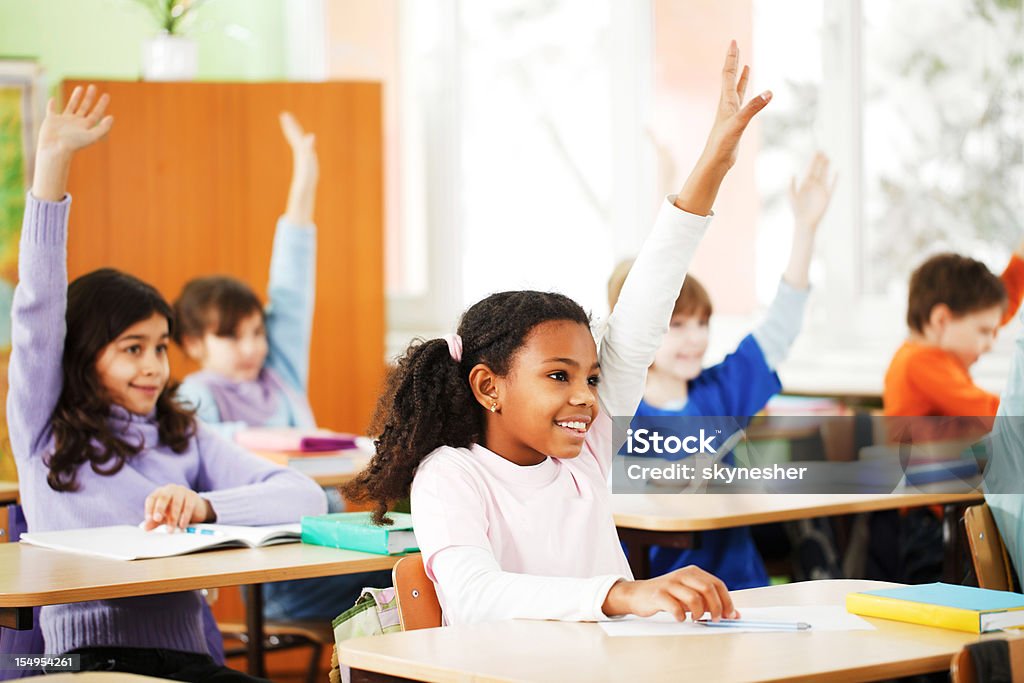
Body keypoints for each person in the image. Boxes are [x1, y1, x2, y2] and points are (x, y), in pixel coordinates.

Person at [343, 42, 769, 624]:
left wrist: (714, 164)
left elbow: (648, 301)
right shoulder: (451, 475)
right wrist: (618, 594)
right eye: (558, 376)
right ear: (488, 386)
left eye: (592, 377)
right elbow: (476, 596)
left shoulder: (584, 447)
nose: (586, 396)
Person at [9, 84, 326, 682]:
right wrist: (53, 166)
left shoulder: (181, 432)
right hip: (68, 658)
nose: (154, 365)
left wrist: (205, 504)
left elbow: (303, 497)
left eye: (159, 346)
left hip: (186, 658)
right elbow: (37, 312)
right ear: (82, 355)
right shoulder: (42, 426)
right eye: (132, 349)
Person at [171, 112, 390, 623]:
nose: (250, 347)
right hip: (272, 574)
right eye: (229, 335)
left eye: (256, 332)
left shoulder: (278, 372)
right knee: (403, 577)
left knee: (416, 563)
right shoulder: (193, 397)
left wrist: (305, 180)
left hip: (326, 545)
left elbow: (292, 286)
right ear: (193, 342)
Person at [606, 152, 835, 589]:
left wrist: (805, 231)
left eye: (702, 323)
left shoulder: (721, 392)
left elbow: (780, 328)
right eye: (676, 325)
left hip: (742, 588)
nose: (695, 338)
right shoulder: (613, 409)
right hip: (662, 600)